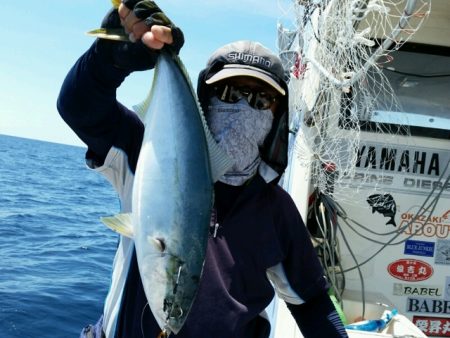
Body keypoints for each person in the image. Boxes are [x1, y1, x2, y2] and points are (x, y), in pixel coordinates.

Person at [57, 1, 349, 337]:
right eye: (228, 93)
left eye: (261, 100)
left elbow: (311, 301)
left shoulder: (275, 209)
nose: (242, 108)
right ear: (206, 100)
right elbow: (78, 106)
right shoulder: (145, 153)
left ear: (277, 117)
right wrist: (108, 58)